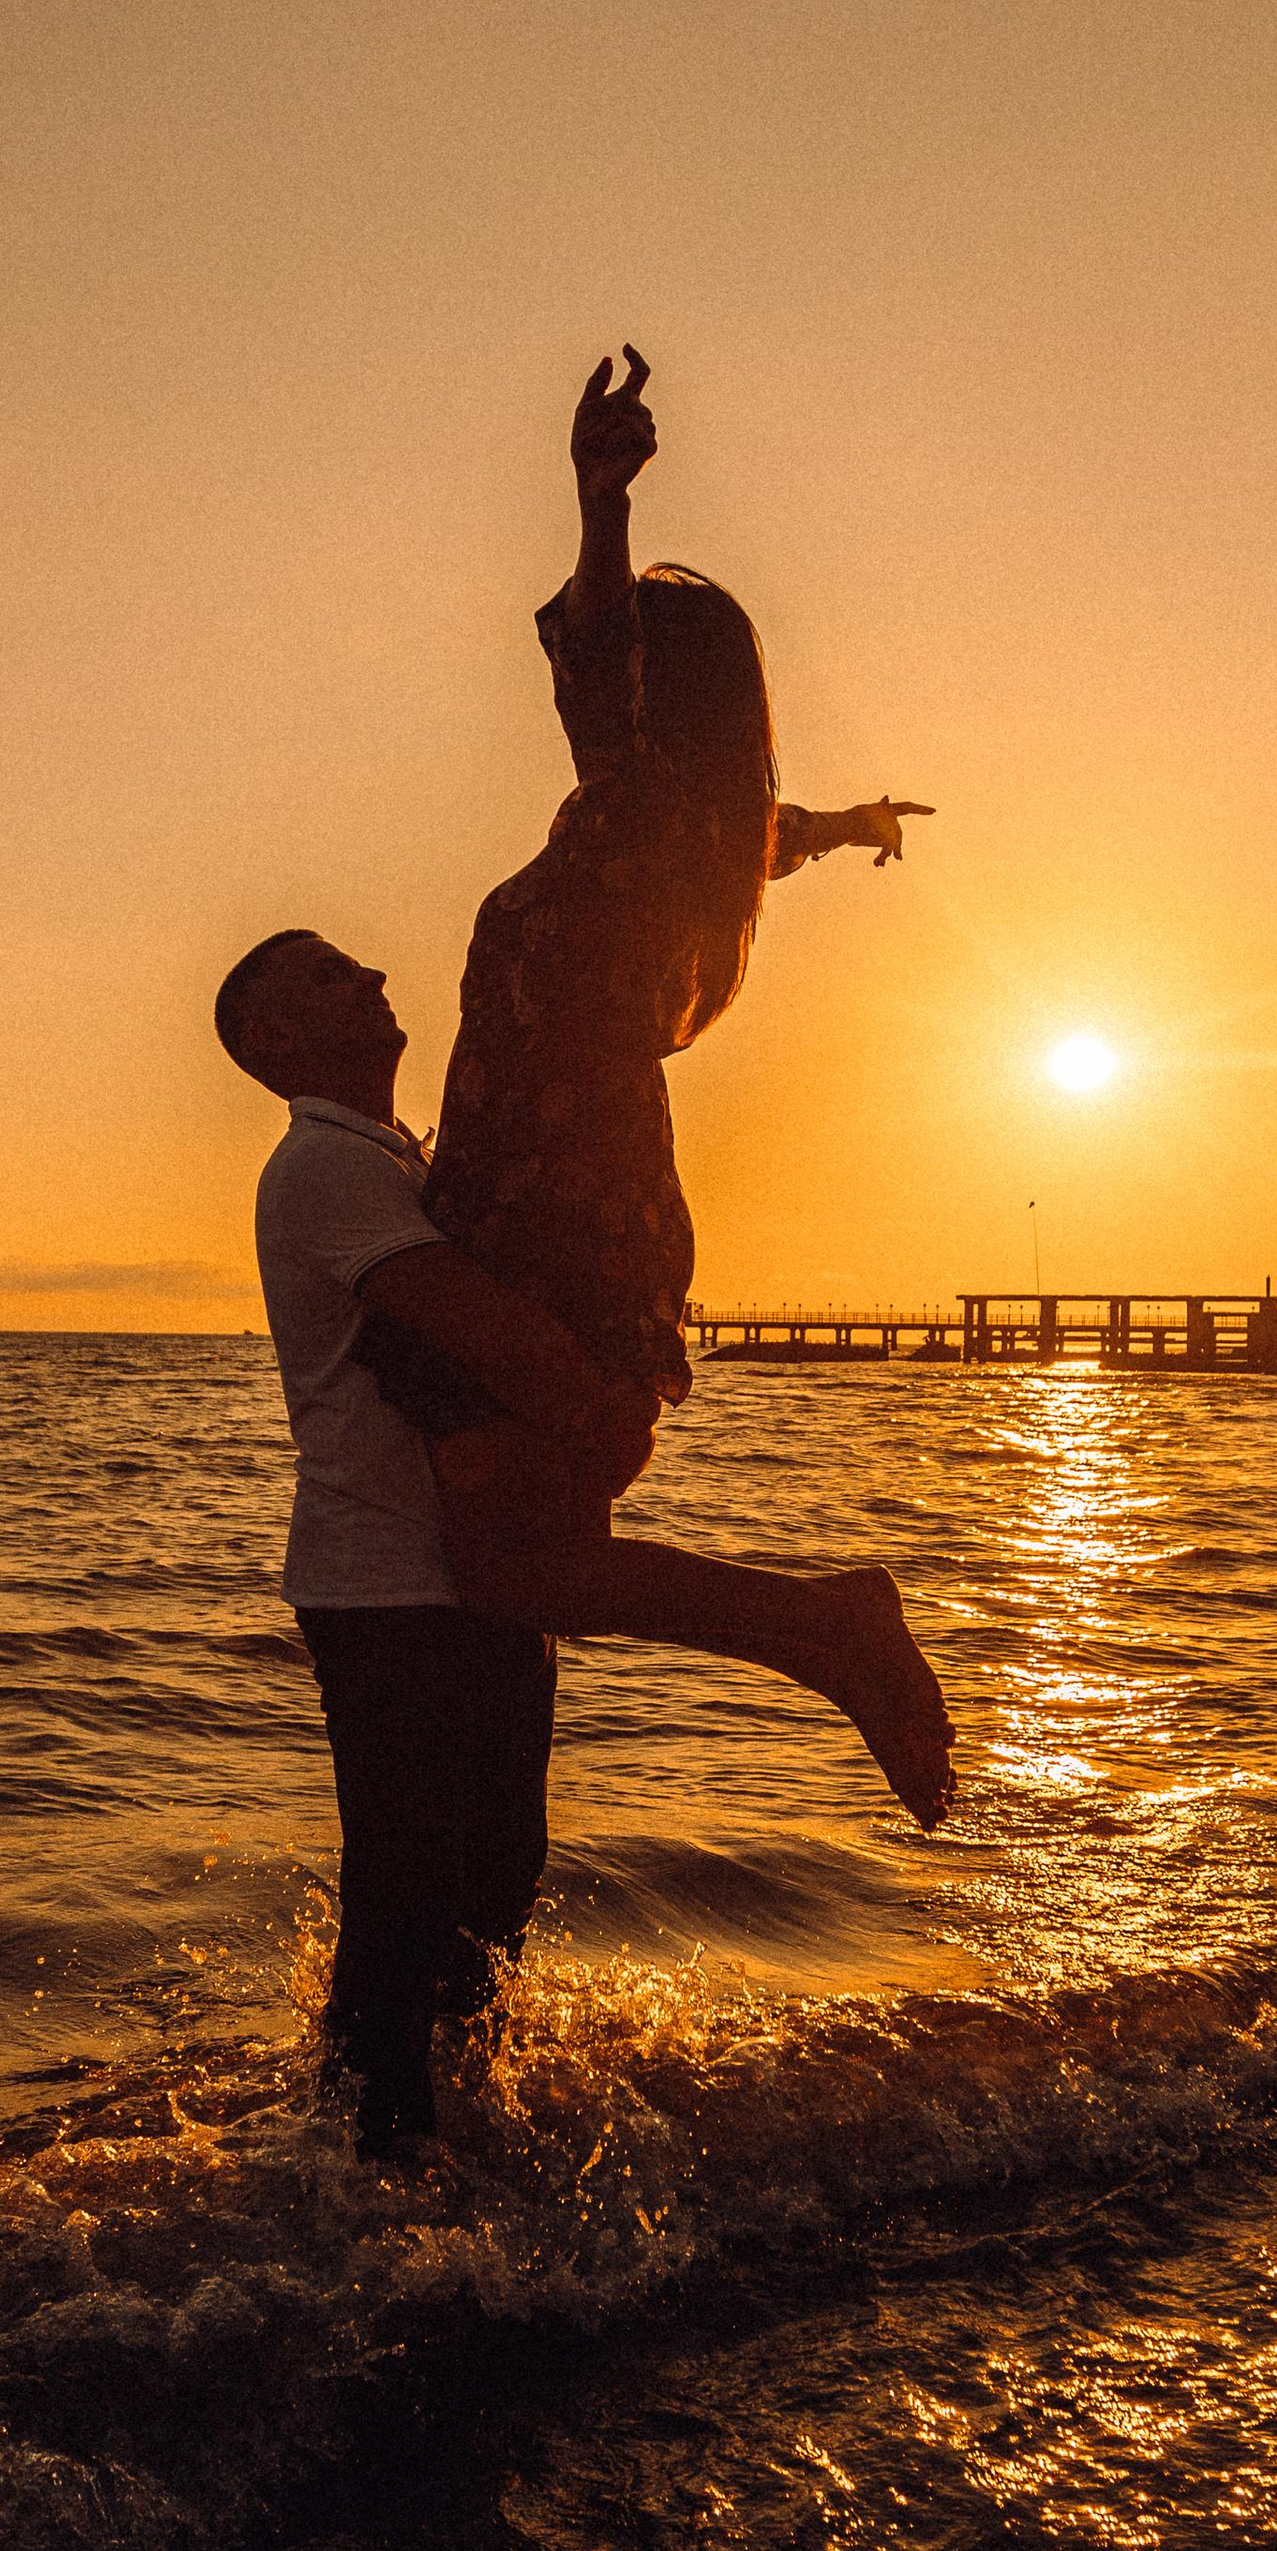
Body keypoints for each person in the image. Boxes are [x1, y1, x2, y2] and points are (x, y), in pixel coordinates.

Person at [221, 925, 943, 2158]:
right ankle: (372, 2177)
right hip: (385, 1584)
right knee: (405, 1889)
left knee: (496, 1877)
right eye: (329, 974)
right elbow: (483, 1330)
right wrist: (615, 1408)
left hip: (476, 1567)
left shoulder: (400, 1160)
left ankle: (460, 2136)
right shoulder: (324, 1169)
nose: (376, 977)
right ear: (274, 1041)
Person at [359, 346, 954, 1827]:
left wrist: (598, 504)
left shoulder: (634, 809)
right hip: (576, 1197)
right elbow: (762, 828)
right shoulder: (683, 842)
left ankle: (827, 1629)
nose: (568, 676)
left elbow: (603, 642)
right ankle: (816, 1638)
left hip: (552, 1205)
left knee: (513, 1565)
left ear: (642, 703)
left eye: (603, 673)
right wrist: (849, 825)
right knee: (514, 1567)